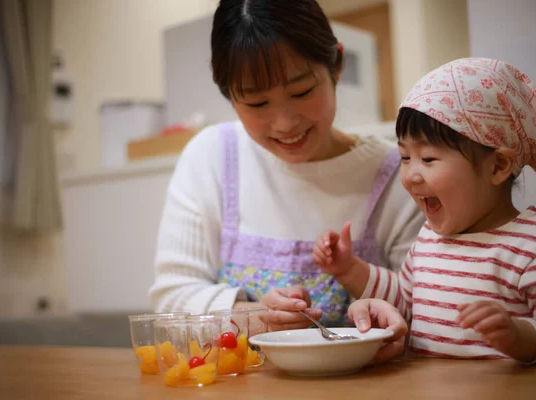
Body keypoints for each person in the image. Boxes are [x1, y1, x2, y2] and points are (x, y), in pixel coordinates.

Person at [148, 0, 422, 345]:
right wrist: (250, 315)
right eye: (257, 103)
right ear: (229, 94)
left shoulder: (398, 176)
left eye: (302, 91)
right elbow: (170, 300)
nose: (285, 123)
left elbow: (427, 306)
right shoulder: (212, 157)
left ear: (335, 66)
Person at [314, 57, 536, 363]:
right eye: (405, 157)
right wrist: (349, 269)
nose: (411, 175)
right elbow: (404, 298)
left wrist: (520, 335)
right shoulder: (429, 238)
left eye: (427, 159)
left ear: (498, 166)